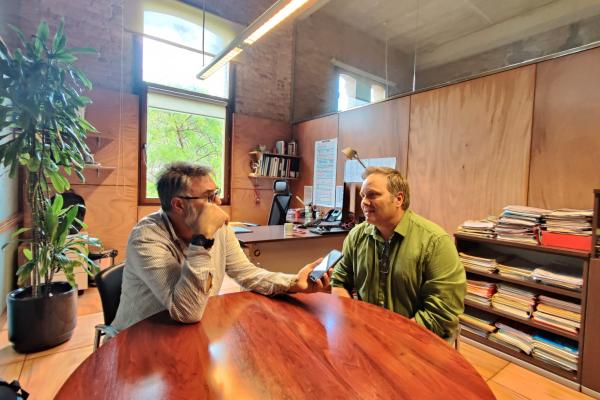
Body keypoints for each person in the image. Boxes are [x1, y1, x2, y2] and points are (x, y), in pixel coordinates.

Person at [111, 162, 330, 332]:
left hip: (188, 333)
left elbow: (248, 274)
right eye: (209, 197)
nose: (218, 203)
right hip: (138, 339)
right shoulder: (146, 237)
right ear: (178, 205)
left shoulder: (219, 230)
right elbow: (187, 311)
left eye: (216, 193)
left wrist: (293, 282)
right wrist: (202, 240)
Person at [330, 167, 465, 340]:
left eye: (372, 195)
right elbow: (339, 281)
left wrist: (393, 337)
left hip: (418, 341)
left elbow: (442, 313)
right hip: (368, 335)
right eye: (362, 196)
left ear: (398, 199)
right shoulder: (356, 236)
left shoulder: (436, 242)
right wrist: (352, 320)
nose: (364, 202)